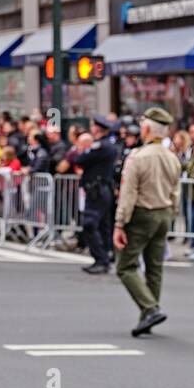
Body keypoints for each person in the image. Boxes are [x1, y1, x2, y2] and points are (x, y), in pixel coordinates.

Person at [113, 107, 183, 336]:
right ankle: (148, 314)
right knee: (155, 267)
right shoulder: (172, 158)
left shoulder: (137, 157)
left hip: (142, 213)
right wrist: (172, 212)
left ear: (145, 129)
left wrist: (120, 223)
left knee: (125, 265)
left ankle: (150, 308)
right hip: (164, 212)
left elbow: (128, 194)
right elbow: (175, 191)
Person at [77, 116, 118, 275]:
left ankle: (101, 258)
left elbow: (81, 159)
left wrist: (84, 150)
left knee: (90, 223)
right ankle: (104, 257)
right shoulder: (108, 145)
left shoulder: (101, 146)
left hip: (97, 190)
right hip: (102, 189)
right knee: (103, 226)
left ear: (97, 129)